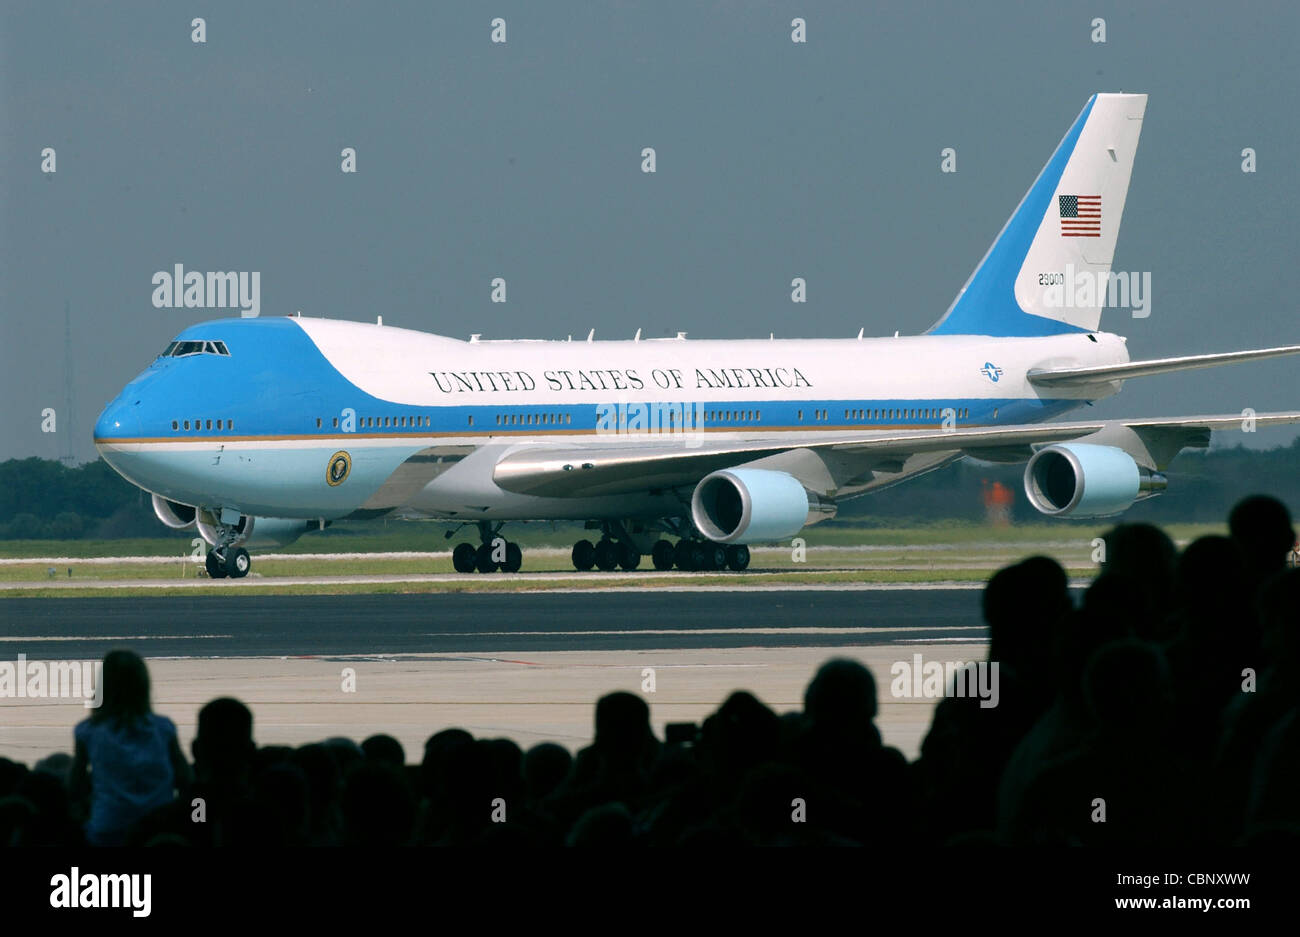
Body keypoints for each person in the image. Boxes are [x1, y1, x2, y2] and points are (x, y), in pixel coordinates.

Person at [69, 649, 191, 845]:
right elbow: (185, 779)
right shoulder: (163, 728)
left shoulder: (88, 731)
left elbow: (74, 788)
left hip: (107, 830)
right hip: (158, 830)